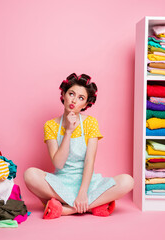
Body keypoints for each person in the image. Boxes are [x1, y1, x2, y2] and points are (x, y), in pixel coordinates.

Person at [24, 73, 134, 219]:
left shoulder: (90, 123)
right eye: (71, 94)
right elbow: (58, 163)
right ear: (63, 94)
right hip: (60, 184)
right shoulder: (50, 125)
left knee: (127, 181)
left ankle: (67, 209)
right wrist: (68, 131)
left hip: (88, 183)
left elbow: (89, 161)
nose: (74, 100)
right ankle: (91, 206)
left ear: (86, 104)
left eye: (81, 98)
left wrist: (82, 192)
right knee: (30, 174)